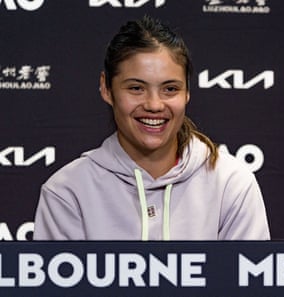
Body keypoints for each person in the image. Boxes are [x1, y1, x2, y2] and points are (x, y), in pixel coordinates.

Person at [33, 15, 270, 240]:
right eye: (136, 88)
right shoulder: (66, 191)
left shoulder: (231, 182)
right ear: (107, 89)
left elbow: (248, 280)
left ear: (187, 91)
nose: (154, 105)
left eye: (170, 89)